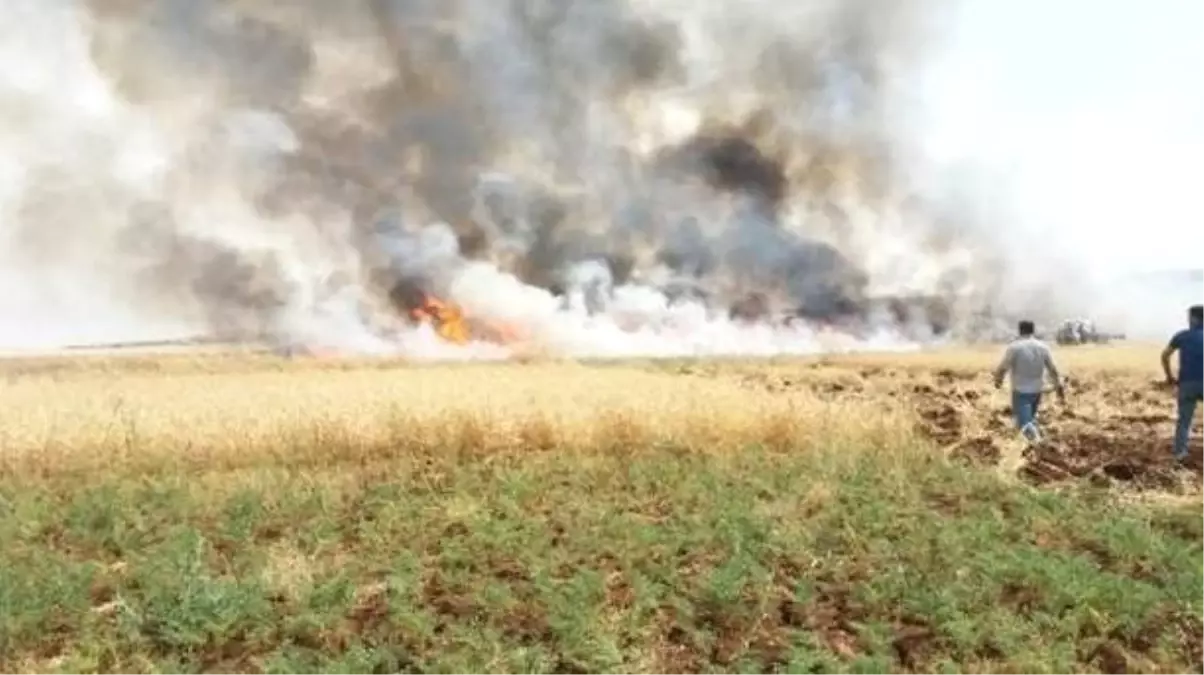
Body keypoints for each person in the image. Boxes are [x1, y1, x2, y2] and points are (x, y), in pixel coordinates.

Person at [993, 320, 1066, 443]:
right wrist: (1058, 387)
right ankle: (1027, 447)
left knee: (1024, 424)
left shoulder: (1014, 347)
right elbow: (1053, 369)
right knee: (1030, 419)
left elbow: (1003, 367)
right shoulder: (1043, 347)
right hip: (1037, 391)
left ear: (1020, 330)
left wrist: (998, 380)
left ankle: (1039, 445)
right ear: (1033, 330)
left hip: (1021, 392)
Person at [1160, 305, 1204, 463]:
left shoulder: (1182, 336)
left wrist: (1169, 376)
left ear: (1194, 319)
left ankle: (1180, 454)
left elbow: (1165, 355)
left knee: (1184, 420)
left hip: (1187, 383)